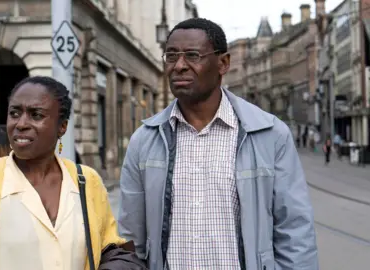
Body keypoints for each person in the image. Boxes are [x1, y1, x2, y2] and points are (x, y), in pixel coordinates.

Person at [118, 18, 318, 269]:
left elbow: (295, 232)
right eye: (171, 56)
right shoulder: (144, 140)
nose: (179, 66)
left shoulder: (270, 135)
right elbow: (130, 239)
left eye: (192, 55)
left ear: (223, 63)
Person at [0, 76, 140, 270]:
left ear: (62, 127)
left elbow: (109, 246)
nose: (21, 124)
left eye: (36, 115)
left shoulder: (87, 181)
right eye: (15, 113)